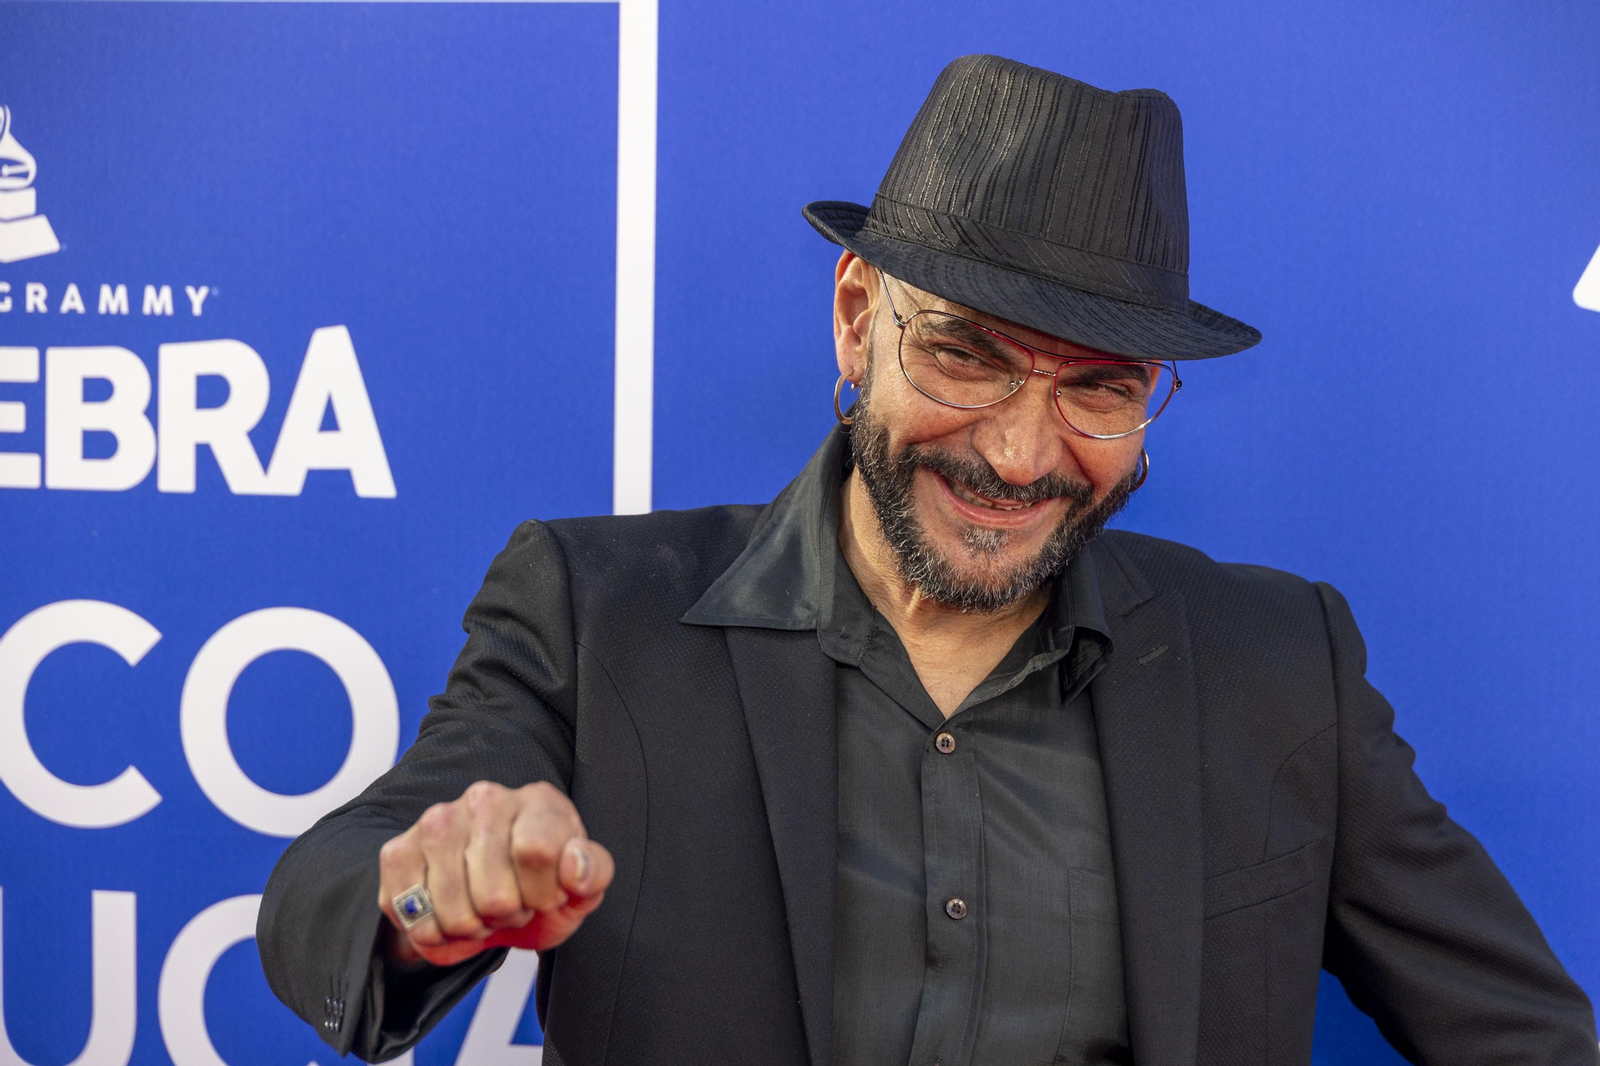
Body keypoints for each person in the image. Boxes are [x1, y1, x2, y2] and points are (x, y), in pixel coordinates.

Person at [258, 54, 1598, 1065]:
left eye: (1099, 388)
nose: (1022, 452)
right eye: (966, 352)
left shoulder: (1277, 666)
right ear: (857, 319)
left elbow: (1528, 1036)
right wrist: (435, 886)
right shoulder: (598, 611)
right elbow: (330, 889)